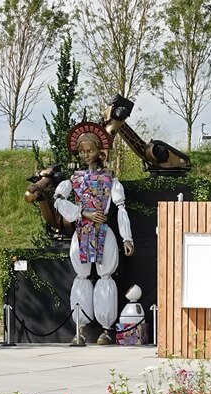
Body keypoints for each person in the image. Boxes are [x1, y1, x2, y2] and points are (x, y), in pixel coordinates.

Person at [53, 122, 134, 345]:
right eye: (82, 152)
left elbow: (121, 207)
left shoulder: (110, 179)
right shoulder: (74, 180)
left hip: (103, 232)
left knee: (105, 275)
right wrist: (82, 213)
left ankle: (106, 328)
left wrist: (127, 237)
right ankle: (79, 328)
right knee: (81, 276)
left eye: (90, 151)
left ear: (99, 151)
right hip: (82, 232)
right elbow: (58, 200)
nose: (86, 155)